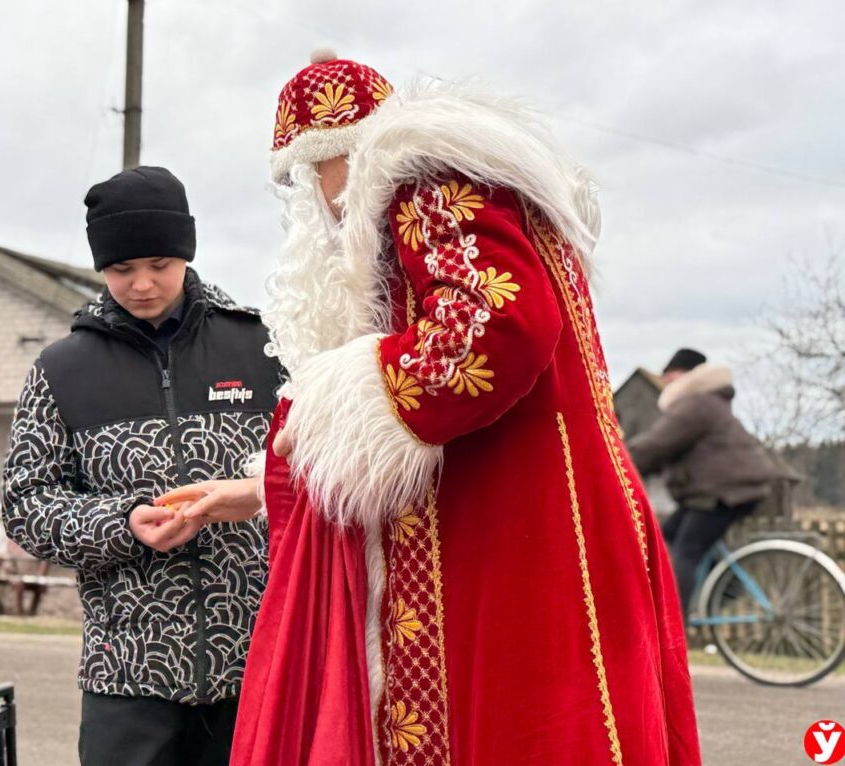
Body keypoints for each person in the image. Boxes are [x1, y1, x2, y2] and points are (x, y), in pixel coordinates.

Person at [178, 52, 701, 765]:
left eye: (311, 177)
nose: (319, 203)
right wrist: (264, 486)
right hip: (543, 509)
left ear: (336, 156)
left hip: (512, 526)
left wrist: (339, 399)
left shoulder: (420, 181)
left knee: (523, 729)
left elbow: (497, 327)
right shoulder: (466, 185)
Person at [1, 166, 282, 766]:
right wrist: (122, 522)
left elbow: (323, 475)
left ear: (187, 250)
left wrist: (257, 493)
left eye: (159, 263)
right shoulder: (61, 370)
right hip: (126, 675)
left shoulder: (264, 349)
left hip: (260, 662)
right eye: (122, 269)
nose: (143, 284)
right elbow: (25, 505)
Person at [628, 348, 779, 617]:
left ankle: (675, 625)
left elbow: (657, 445)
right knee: (668, 536)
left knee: (686, 550)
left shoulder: (695, 404)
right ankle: (728, 588)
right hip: (723, 490)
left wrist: (620, 461)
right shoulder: (707, 401)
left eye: (669, 376)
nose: (665, 383)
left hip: (723, 492)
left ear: (685, 376)